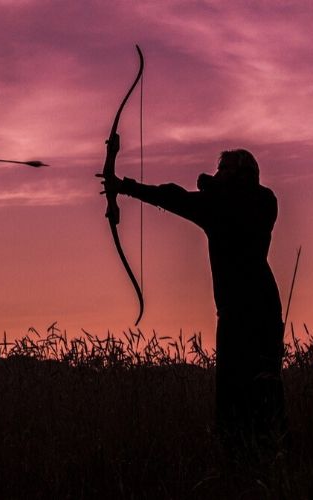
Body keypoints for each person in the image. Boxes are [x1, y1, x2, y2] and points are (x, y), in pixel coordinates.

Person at [102, 146, 287, 454]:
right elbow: (173, 196)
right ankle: (240, 460)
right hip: (237, 314)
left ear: (244, 174)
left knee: (266, 389)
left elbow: (229, 203)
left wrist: (210, 185)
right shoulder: (220, 203)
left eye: (225, 168)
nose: (217, 174)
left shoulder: (260, 202)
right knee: (232, 396)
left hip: (258, 314)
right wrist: (125, 187)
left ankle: (270, 456)